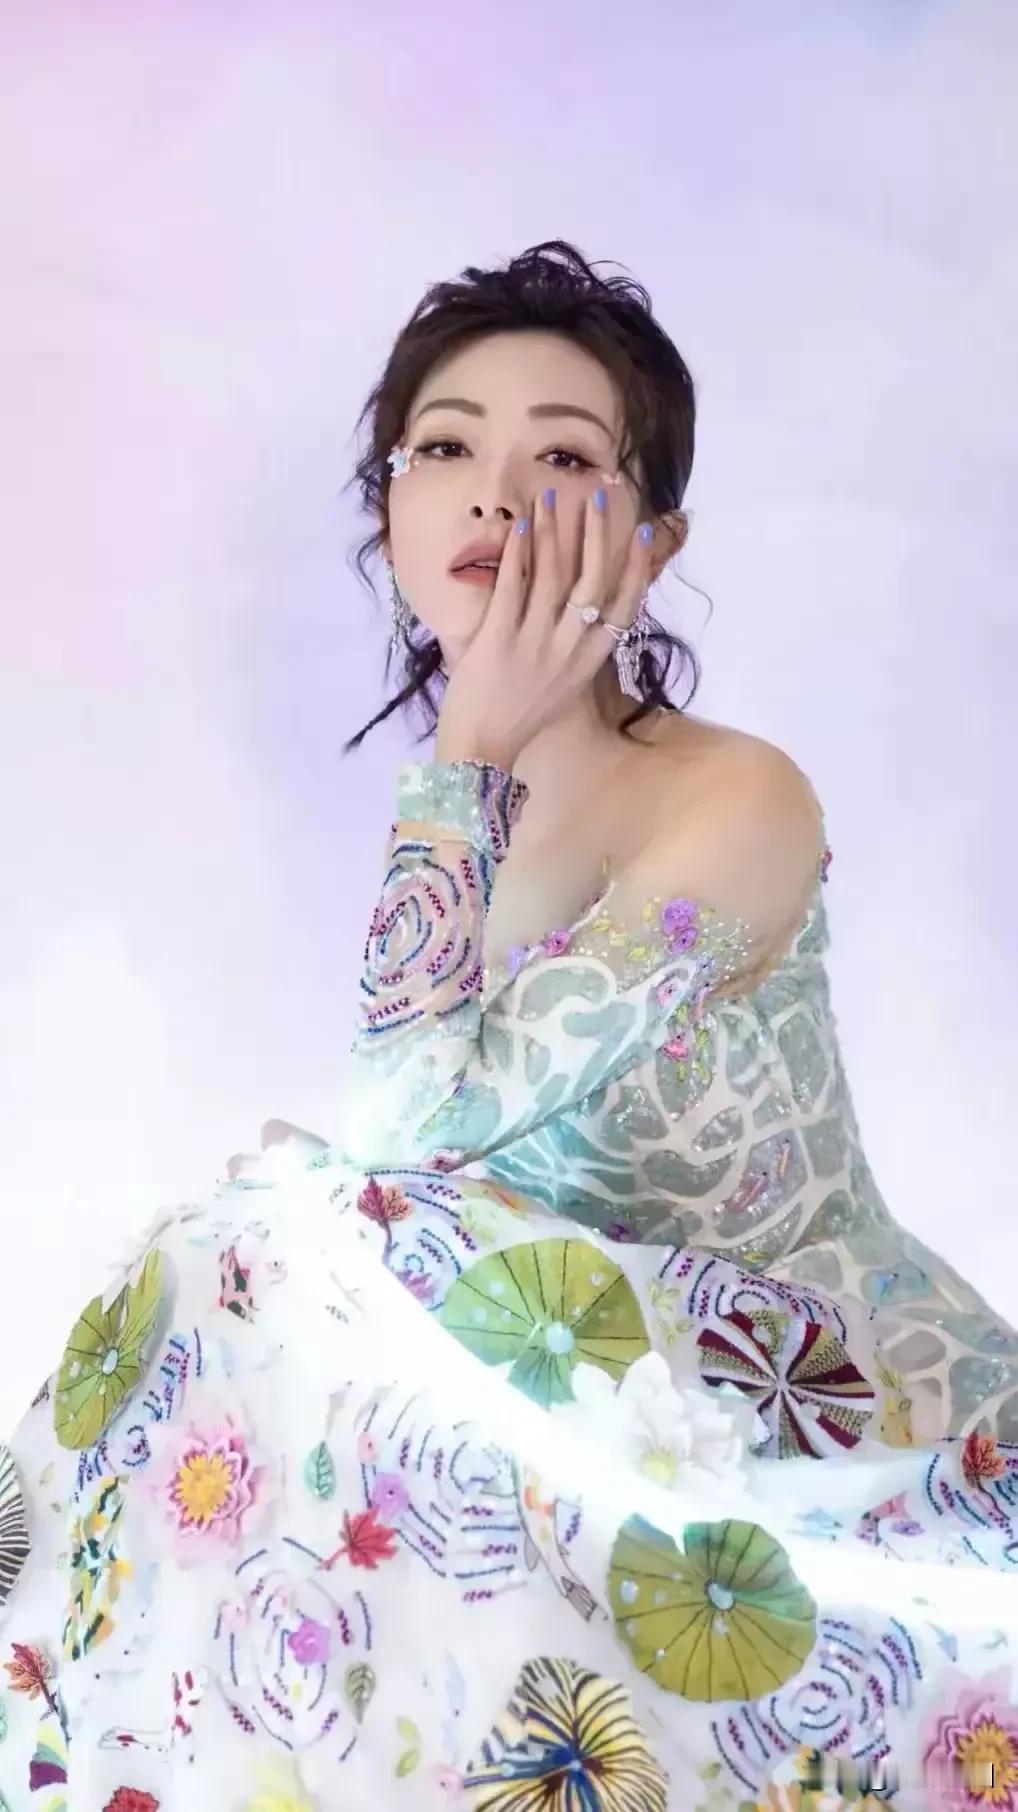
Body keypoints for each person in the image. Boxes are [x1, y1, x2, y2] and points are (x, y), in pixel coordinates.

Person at [1, 240, 1016, 1811]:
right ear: (389, 512)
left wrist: (464, 748)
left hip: (813, 1419)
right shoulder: (472, 818)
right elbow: (422, 1169)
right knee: (246, 1258)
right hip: (576, 1385)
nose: (494, 495)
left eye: (563, 459)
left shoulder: (735, 799)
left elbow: (413, 1131)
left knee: (268, 1241)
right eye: (446, 447)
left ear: (652, 538)